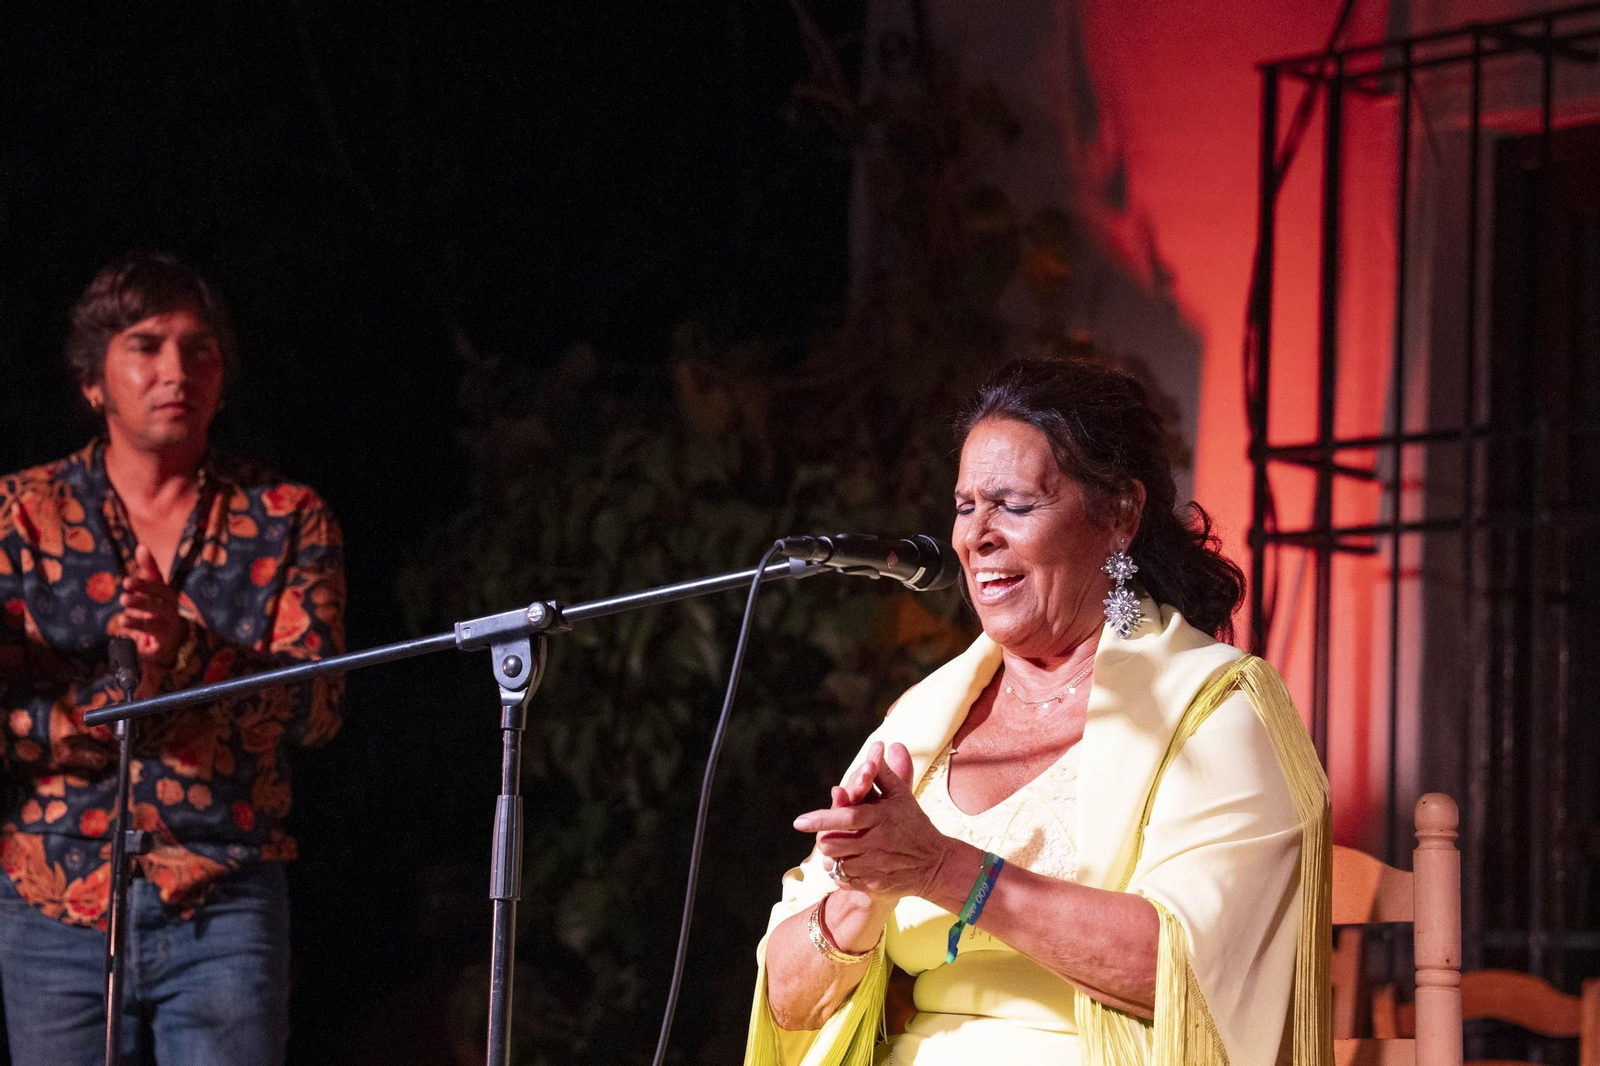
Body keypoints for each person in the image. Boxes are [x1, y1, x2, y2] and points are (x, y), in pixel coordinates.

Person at [744, 357, 1330, 1066]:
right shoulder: (920, 724)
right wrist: (863, 896)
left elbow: (1192, 970)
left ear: (1120, 515)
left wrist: (941, 869)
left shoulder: (1215, 707)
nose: (976, 537)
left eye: (1015, 505)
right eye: (965, 506)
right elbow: (788, 999)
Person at [0, 253, 345, 1066]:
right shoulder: (19, 515)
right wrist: (102, 712)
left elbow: (319, 708)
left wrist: (186, 650)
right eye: (146, 346)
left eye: (200, 350)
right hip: (55, 898)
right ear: (94, 382)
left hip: (223, 894)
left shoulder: (285, 516)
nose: (176, 372)